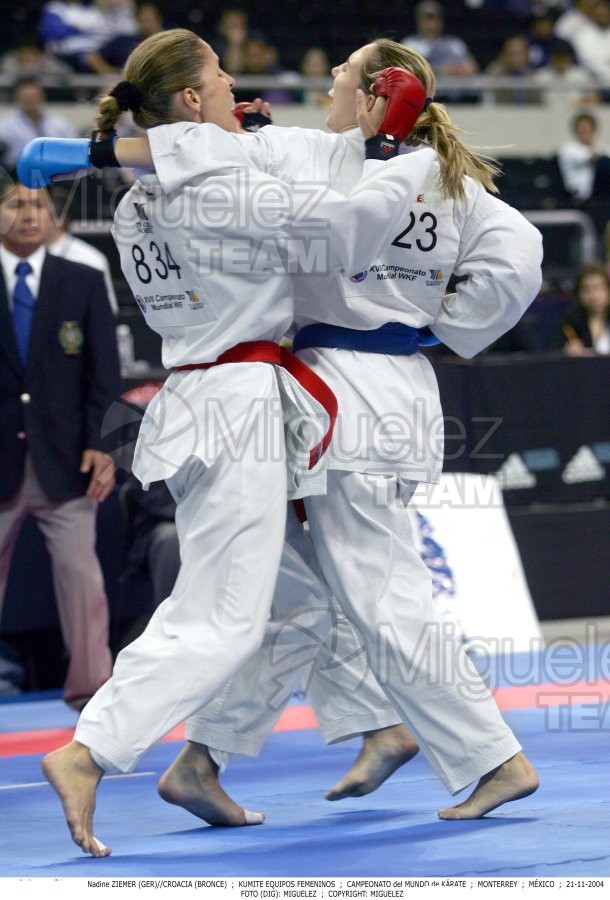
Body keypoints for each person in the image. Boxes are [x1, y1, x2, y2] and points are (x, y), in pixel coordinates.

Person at [18, 28, 441, 856]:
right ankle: (89, 750)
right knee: (224, 615)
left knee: (296, 600)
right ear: (187, 102)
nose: (231, 81)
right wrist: (397, 152)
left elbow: (241, 165)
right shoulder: (215, 177)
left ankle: (210, 762)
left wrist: (288, 144)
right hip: (238, 402)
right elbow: (343, 227)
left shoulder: (152, 193)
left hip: (207, 396)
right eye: (216, 73)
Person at [100, 38, 543, 830]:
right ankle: (218, 757)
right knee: (290, 589)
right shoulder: (383, 162)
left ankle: (491, 756)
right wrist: (444, 325)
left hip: (349, 396)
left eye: (341, 72)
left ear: (376, 92)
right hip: (346, 392)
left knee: (377, 591)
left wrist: (422, 326)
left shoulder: (368, 163)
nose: (327, 78)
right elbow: (520, 258)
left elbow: (504, 254)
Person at [0, 172, 119, 710]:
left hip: (65, 458)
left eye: (37, 206)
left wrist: (101, 444)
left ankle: (93, 693)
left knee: (83, 582)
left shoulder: (83, 278)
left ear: (55, 217)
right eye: (15, 206)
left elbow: (104, 373)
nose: (28, 215)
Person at [46, 185, 118, 313]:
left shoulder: (90, 259)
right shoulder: (25, 255)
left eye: (40, 213)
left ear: (60, 219)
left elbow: (108, 311)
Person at [558, 111, 610, 250]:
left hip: (602, 196)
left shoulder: (602, 148)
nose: (585, 133)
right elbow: (595, 157)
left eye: (588, 130)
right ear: (576, 132)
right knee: (605, 163)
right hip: (581, 199)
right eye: (582, 130)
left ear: (594, 131)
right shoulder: (569, 149)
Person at [0, 79, 76, 172]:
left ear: (42, 97)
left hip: (56, 171)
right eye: (27, 96)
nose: (31, 100)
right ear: (17, 98)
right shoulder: (6, 126)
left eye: (35, 96)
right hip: (19, 171)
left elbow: (73, 149)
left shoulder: (59, 123)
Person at [552, 260, 610, 354]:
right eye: (586, 290)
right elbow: (552, 353)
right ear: (578, 294)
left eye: (598, 288)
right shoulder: (569, 321)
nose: (593, 296)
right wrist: (566, 351)